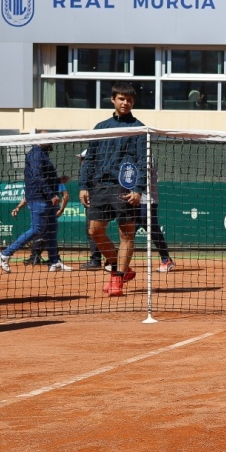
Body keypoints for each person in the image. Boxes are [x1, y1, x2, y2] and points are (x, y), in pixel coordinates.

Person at [79, 82, 147, 297]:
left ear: (133, 102)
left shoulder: (139, 128)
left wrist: (138, 188)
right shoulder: (101, 127)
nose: (125, 103)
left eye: (129, 100)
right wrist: (83, 186)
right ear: (113, 100)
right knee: (94, 231)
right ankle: (120, 267)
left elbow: (143, 162)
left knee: (126, 235)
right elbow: (90, 159)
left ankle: (116, 278)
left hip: (125, 188)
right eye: (121, 99)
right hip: (100, 186)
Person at [0, 133, 70, 272]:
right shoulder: (36, 154)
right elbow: (37, 176)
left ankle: (54, 261)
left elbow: (42, 176)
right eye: (49, 138)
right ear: (40, 141)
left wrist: (57, 180)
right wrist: (50, 194)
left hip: (46, 199)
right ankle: (5, 254)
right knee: (37, 229)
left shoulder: (42, 154)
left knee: (52, 231)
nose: (52, 141)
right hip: (40, 198)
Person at [19, 177, 69, 266]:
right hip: (41, 211)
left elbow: (65, 195)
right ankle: (41, 257)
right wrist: (18, 207)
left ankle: (50, 258)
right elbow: (28, 198)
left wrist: (61, 210)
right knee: (42, 234)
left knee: (48, 234)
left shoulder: (55, 181)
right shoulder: (36, 183)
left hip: (52, 211)